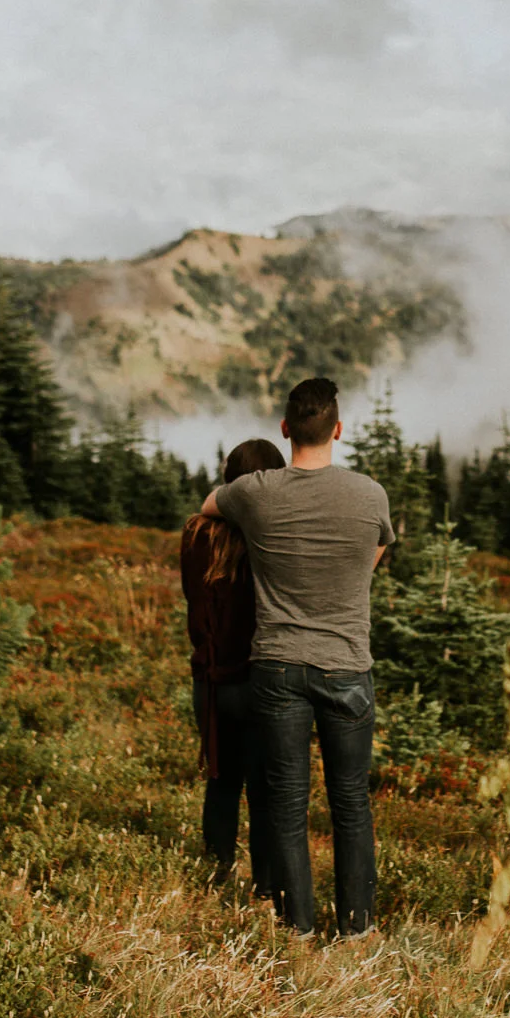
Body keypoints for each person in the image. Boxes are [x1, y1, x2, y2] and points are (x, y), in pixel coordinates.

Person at [201, 376, 393, 936]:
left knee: (285, 802)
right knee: (351, 803)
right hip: (348, 664)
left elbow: (209, 506)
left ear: (286, 430)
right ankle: (357, 928)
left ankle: (298, 928)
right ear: (337, 429)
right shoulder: (370, 494)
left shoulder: (257, 492)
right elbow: (376, 550)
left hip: (278, 666)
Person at [180, 437, 287, 892]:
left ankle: (216, 874)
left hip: (209, 679)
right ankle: (264, 886)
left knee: (221, 782)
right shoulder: (271, 536)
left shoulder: (195, 533)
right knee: (264, 791)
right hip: (257, 679)